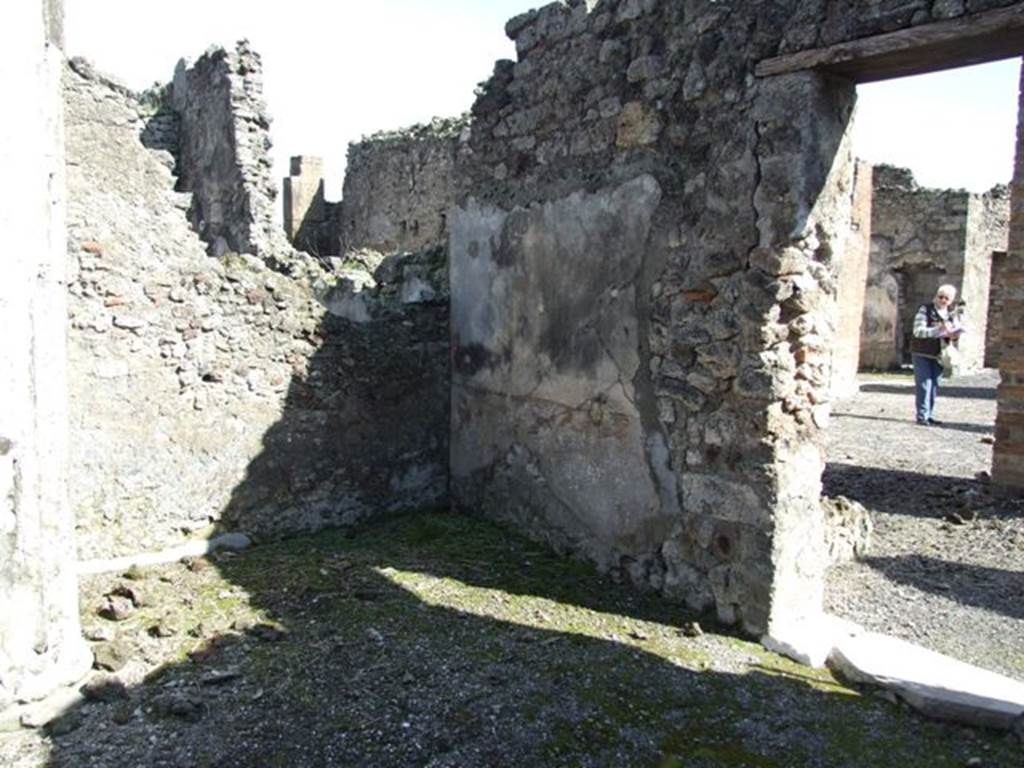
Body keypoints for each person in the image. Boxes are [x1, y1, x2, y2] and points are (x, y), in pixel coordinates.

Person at [910, 284, 962, 426]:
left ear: (951, 301)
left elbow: (954, 334)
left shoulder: (951, 314)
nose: (943, 300)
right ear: (936, 296)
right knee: (924, 384)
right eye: (941, 296)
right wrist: (937, 330)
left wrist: (954, 335)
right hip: (922, 352)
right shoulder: (925, 310)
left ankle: (929, 414)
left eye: (947, 298)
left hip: (939, 355)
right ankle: (922, 416)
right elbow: (918, 331)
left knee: (934, 385)